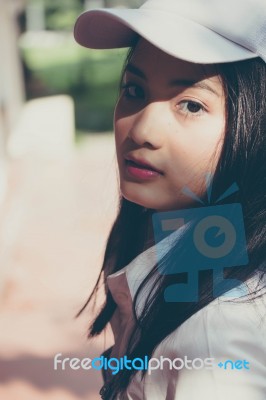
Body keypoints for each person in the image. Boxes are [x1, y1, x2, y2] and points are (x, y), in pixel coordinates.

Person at [74, 0, 266, 399]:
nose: (142, 128)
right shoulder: (172, 242)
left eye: (191, 105)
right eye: (134, 90)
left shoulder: (216, 338)